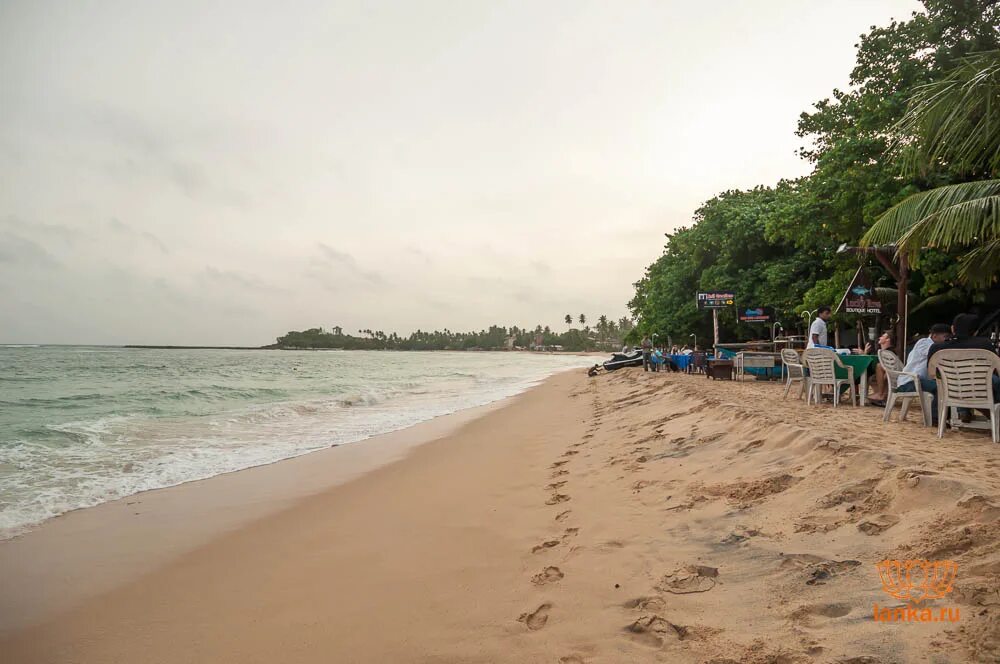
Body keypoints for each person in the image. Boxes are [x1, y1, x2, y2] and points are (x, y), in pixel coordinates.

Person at [926, 314, 1000, 420]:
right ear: (976, 332)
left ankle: (960, 412)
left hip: (951, 390)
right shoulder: (986, 346)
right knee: (993, 381)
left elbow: (932, 374)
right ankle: (994, 416)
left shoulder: (937, 348)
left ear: (952, 329)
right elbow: (997, 371)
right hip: (982, 392)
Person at [895, 324, 951, 422]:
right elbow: (934, 353)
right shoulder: (924, 343)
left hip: (917, 381)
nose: (947, 340)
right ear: (934, 336)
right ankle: (935, 418)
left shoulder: (933, 345)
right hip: (910, 381)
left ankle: (945, 417)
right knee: (941, 387)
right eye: (945, 337)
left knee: (945, 385)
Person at [865, 330, 896, 406]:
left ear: (888, 340)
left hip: (892, 379)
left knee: (879, 367)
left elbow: (891, 369)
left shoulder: (889, 353)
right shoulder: (883, 352)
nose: (880, 337)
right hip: (889, 380)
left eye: (883, 336)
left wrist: (883, 376)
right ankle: (881, 395)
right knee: (872, 377)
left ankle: (881, 395)